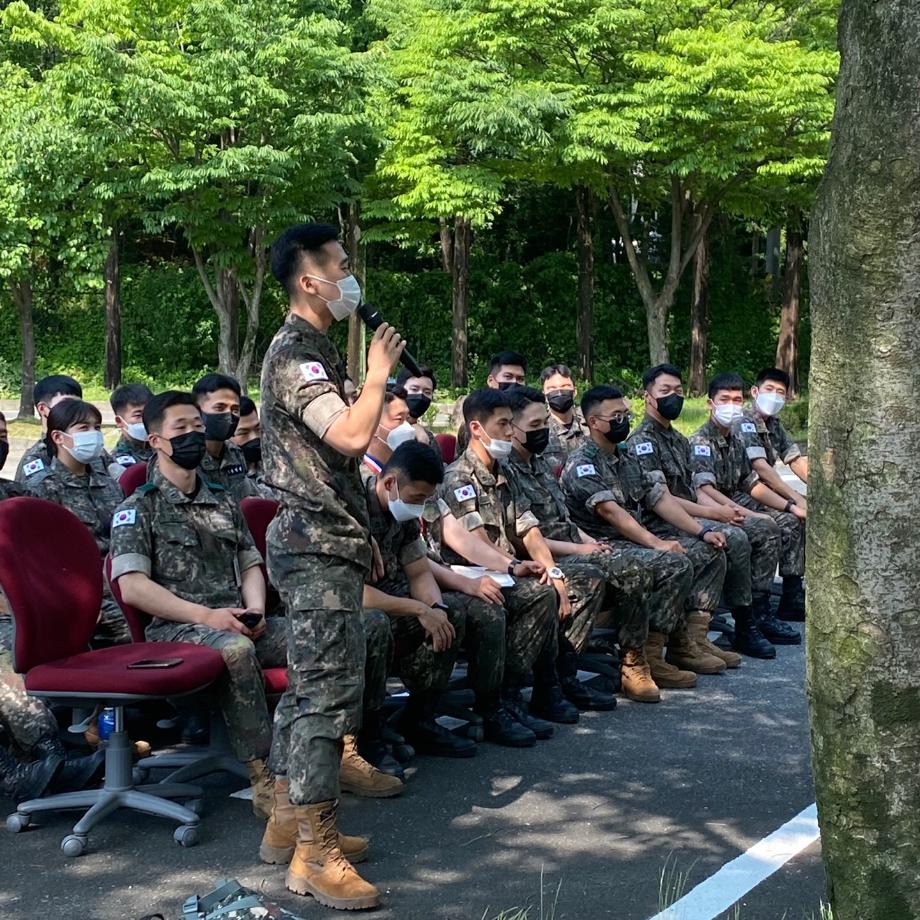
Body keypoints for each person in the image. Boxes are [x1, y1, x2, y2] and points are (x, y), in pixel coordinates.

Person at [259, 222, 405, 909]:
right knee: (325, 696)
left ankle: (287, 819)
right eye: (341, 266)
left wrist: (362, 530)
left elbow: (330, 464)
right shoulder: (296, 355)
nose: (351, 277)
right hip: (312, 544)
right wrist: (377, 376)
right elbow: (349, 436)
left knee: (310, 689)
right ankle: (314, 854)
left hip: (331, 536)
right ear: (309, 281)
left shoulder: (315, 348)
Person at [108, 391, 287, 820]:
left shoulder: (223, 499)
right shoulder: (138, 508)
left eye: (196, 425)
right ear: (155, 441)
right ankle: (264, 775)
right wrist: (208, 616)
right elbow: (132, 588)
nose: (192, 435)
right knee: (236, 650)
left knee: (325, 636)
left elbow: (250, 561)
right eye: (180, 428)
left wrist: (256, 610)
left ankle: (335, 750)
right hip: (179, 627)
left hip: (237, 618)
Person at [504, 385, 657, 705]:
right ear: (511, 428)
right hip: (542, 555)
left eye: (544, 423)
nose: (543, 430)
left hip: (570, 546)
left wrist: (590, 542)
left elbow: (564, 519)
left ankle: (633, 660)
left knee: (631, 563)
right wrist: (579, 550)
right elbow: (523, 536)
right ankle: (564, 676)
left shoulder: (538, 464)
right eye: (534, 425)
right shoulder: (507, 470)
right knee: (610, 572)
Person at [626, 364, 783, 664]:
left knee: (741, 532)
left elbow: (693, 488)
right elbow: (662, 500)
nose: (673, 397)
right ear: (648, 397)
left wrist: (722, 512)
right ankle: (736, 625)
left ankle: (702, 634)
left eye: (678, 391)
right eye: (665, 391)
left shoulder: (677, 439)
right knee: (729, 539)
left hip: (685, 516)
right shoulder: (642, 442)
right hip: (660, 523)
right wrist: (710, 517)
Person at [440, 388, 577, 726]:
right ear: (476, 428)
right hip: (471, 575)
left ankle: (535, 689)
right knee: (506, 606)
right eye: (502, 424)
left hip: (504, 571)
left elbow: (528, 529)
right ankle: (495, 703)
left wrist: (553, 572)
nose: (509, 432)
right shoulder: (458, 478)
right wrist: (515, 566)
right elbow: (476, 544)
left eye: (510, 423)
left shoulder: (506, 472)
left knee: (546, 589)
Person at [559, 386, 700, 695]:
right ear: (594, 422)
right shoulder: (582, 462)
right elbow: (610, 512)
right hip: (597, 545)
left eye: (626, 414)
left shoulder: (627, 456)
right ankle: (633, 661)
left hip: (627, 541)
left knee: (682, 558)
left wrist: (701, 530)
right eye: (616, 416)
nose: (623, 420)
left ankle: (663, 649)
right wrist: (655, 543)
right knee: (641, 567)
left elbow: (658, 497)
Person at [363, 442, 477, 757]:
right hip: (357, 609)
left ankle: (420, 718)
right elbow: (350, 592)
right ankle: (367, 733)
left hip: (395, 603)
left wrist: (435, 610)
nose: (419, 506)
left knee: (451, 614)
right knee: (374, 625)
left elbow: (419, 572)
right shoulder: (353, 510)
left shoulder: (406, 513)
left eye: (425, 499)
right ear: (390, 483)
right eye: (416, 498)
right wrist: (418, 609)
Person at [689, 373, 806, 651]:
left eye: (736, 400)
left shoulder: (736, 440)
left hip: (735, 500)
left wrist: (792, 505)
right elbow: (705, 490)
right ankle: (748, 619)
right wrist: (751, 515)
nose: (732, 406)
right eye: (725, 400)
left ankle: (765, 608)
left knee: (785, 520)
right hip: (710, 506)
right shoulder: (701, 442)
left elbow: (752, 484)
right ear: (710, 404)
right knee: (759, 530)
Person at [29, 399, 131, 646]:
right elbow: (43, 561)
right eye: (83, 428)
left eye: (97, 427)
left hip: (126, 582)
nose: (93, 435)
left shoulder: (108, 483)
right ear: (58, 437)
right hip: (89, 595)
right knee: (142, 631)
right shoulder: (43, 489)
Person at [735, 368, 808, 620]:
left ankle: (792, 592)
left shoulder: (774, 424)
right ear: (755, 391)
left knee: (802, 515)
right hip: (741, 493)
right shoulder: (744, 422)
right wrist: (796, 498)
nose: (774, 396)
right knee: (789, 520)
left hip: (761, 491)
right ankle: (762, 606)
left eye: (780, 392)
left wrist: (822, 491)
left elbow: (794, 459)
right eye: (769, 389)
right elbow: (761, 469)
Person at [15, 374, 116, 484]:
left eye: (76, 405)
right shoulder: (36, 459)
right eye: (65, 404)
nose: (73, 410)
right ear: (43, 409)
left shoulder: (94, 450)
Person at [191, 373, 259, 502]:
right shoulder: (186, 458)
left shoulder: (235, 453)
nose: (229, 415)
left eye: (235, 410)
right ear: (196, 411)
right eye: (219, 408)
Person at [541, 364, 587, 477]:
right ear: (545, 395)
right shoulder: (539, 429)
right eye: (552, 388)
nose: (559, 392)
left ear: (574, 392)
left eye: (564, 386)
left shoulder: (590, 425)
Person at [362, 386, 417, 474]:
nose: (407, 426)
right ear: (373, 426)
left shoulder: (403, 471)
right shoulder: (359, 476)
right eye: (399, 419)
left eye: (407, 418)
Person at [395, 365, 442, 459]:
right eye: (414, 389)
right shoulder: (381, 431)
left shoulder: (428, 438)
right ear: (399, 390)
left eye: (427, 392)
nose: (420, 396)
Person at [109, 383, 155, 474]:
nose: (147, 419)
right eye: (138, 415)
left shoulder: (162, 446)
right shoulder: (119, 462)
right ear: (119, 421)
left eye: (150, 413)